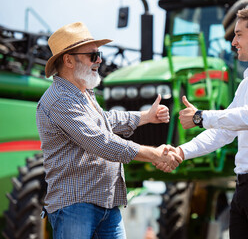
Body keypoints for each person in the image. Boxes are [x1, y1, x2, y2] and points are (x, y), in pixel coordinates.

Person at [158, 6, 248, 238]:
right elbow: (223, 132)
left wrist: (201, 116)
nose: (233, 41)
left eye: (238, 34)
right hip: (245, 190)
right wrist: (181, 152)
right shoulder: (246, 84)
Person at [36, 22, 182, 239]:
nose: (99, 60)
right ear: (68, 60)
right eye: (92, 55)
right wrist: (153, 154)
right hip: (76, 206)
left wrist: (145, 117)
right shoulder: (59, 100)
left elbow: (106, 120)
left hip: (105, 203)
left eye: (99, 54)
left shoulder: (83, 94)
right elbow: (100, 141)